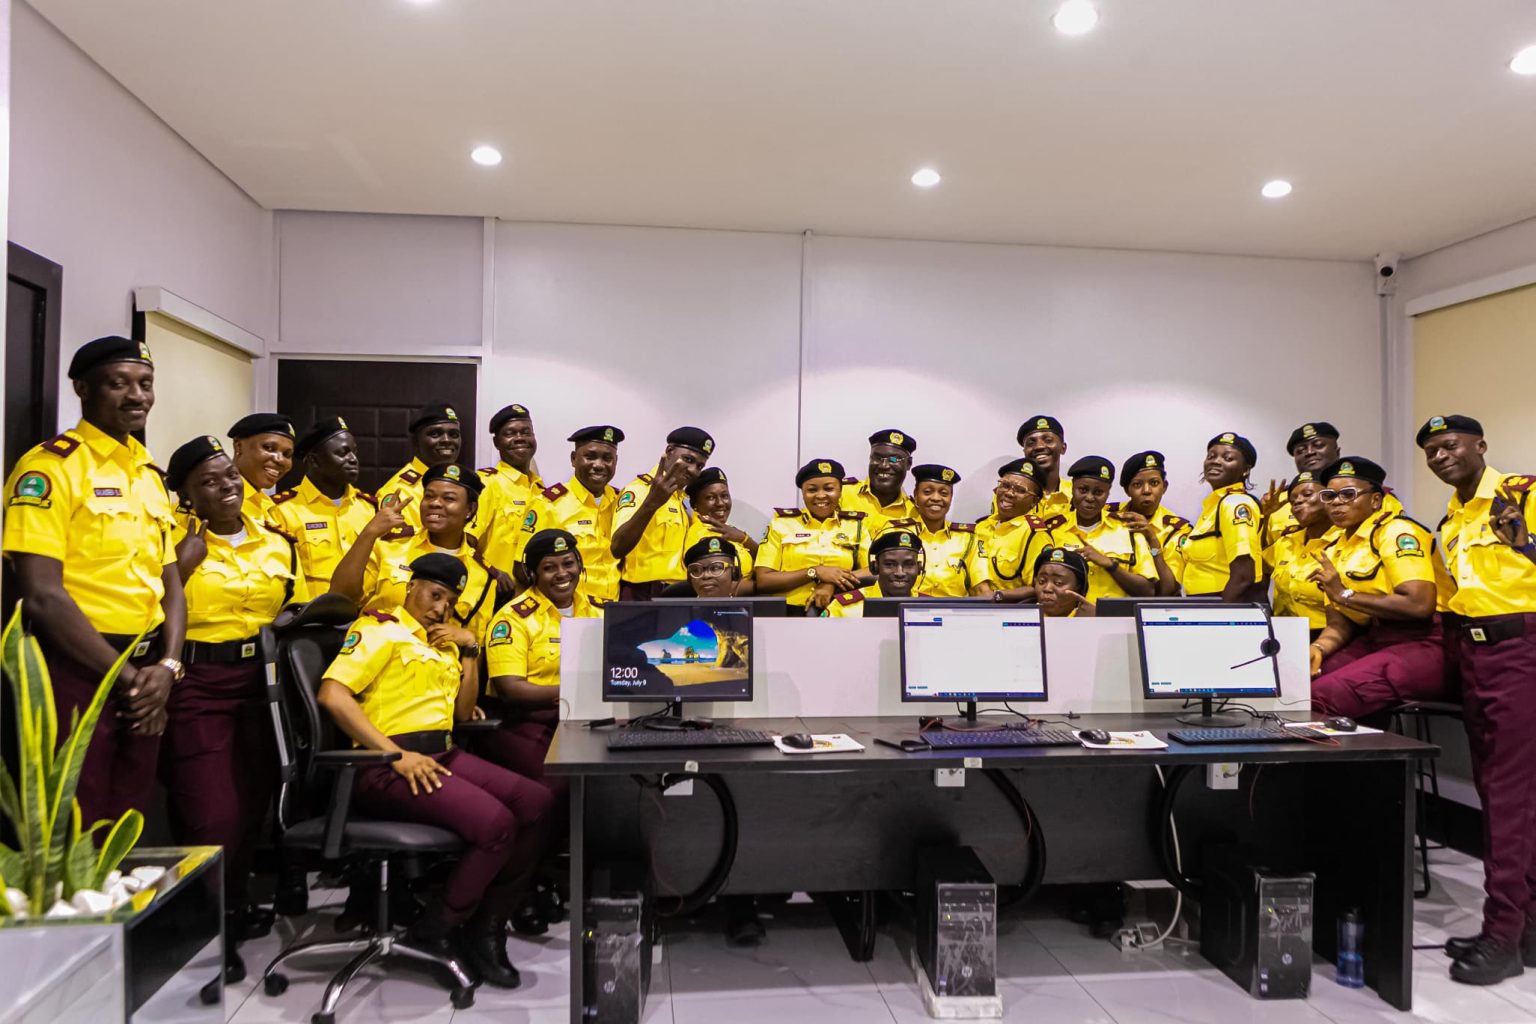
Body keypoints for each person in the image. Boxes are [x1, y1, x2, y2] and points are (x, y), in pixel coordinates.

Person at [318, 553, 552, 988]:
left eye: (449, 602)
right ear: (411, 587)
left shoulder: (442, 643)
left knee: (536, 802)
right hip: (383, 764)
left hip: (440, 753)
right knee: (497, 824)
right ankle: (437, 927)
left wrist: (469, 651)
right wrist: (395, 755)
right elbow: (332, 695)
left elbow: (462, 713)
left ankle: (488, 924)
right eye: (435, 595)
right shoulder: (380, 629)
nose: (441, 608)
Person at [2, 336, 185, 826]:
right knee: (72, 823)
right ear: (83, 388)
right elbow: (42, 594)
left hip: (146, 670)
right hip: (76, 667)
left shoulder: (148, 474)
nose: (137, 396)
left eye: (145, 383)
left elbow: (169, 581)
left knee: (126, 817)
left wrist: (167, 667)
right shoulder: (49, 468)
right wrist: (130, 681)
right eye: (118, 384)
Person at [162, 435, 307, 981]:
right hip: (197, 683)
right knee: (211, 812)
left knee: (250, 805)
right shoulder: (173, 542)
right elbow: (150, 606)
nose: (226, 487)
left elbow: (293, 607)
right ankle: (209, 923)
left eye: (228, 476)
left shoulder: (277, 543)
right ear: (186, 495)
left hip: (262, 686)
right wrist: (182, 565)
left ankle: (236, 904)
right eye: (208, 481)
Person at [1416, 415, 1536, 986]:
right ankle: (1527, 930)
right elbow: (1451, 601)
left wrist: (1526, 543)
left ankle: (1502, 936)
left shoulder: (1523, 495)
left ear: (1480, 445)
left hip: (1522, 650)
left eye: (1450, 445)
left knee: (1509, 799)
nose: (1440, 456)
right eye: (1431, 451)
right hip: (1476, 654)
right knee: (1504, 793)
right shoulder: (1451, 521)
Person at [1307, 457, 1453, 720]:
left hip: (1426, 641)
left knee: (1323, 696)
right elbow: (1340, 624)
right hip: (1376, 638)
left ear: (1375, 500)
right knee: (1297, 687)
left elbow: (1419, 605)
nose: (1337, 502)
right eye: (1330, 496)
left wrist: (1344, 594)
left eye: (1348, 494)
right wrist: (1318, 648)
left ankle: (1367, 749)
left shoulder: (1397, 532)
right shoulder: (1335, 549)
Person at [330, 463, 496, 646]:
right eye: (429, 496)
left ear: (470, 510)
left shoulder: (482, 576)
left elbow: (475, 644)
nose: (435, 503)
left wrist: (469, 642)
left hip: (434, 661)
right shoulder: (390, 547)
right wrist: (369, 534)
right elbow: (340, 598)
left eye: (448, 498)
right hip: (375, 653)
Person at [268, 417, 379, 593]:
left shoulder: (370, 508)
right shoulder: (282, 510)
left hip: (366, 609)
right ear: (314, 461)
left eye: (354, 452)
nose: (353, 459)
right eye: (342, 453)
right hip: (312, 609)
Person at [754, 459, 868, 614]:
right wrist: (814, 571)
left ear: (840, 491)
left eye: (829, 489)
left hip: (842, 612)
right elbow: (763, 581)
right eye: (812, 490)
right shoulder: (781, 524)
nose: (820, 495)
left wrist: (832, 582)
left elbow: (873, 571)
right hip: (788, 613)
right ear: (803, 493)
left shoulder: (856, 526)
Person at [611, 427, 714, 599]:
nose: (693, 470)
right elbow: (617, 547)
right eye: (688, 459)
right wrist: (652, 503)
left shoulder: (682, 500)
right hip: (643, 593)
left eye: (699, 466)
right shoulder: (639, 490)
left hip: (677, 593)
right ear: (669, 451)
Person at [524, 426, 624, 602]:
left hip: (614, 607)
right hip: (571, 609)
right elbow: (524, 567)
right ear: (573, 459)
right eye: (590, 457)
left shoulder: (621, 502)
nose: (599, 465)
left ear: (616, 461)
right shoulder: (548, 504)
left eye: (607, 458)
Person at [1174, 433, 1265, 602]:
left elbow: (1243, 575)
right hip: (1210, 604)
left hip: (1231, 604)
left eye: (1227, 458)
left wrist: (1222, 613)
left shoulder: (1235, 504)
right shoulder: (1214, 506)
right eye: (1211, 456)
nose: (1215, 461)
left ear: (1245, 470)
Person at [1057, 456, 1156, 601]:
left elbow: (1148, 591)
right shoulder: (1053, 530)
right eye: (1083, 490)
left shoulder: (1128, 530)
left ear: (1108, 493)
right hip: (1068, 614)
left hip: (1115, 614)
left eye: (1098, 492)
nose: (1089, 497)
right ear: (1072, 488)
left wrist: (1110, 565)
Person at [972, 459, 1062, 601]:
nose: (1009, 493)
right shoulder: (980, 527)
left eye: (1020, 490)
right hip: (968, 608)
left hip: (1009, 610)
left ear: (1034, 501)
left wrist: (997, 596)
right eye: (1005, 485)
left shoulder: (1034, 534)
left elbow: (1038, 586)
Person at [887, 464, 975, 598]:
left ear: (951, 498)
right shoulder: (894, 533)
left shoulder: (968, 539)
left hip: (953, 609)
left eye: (944, 493)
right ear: (916, 495)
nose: (936, 498)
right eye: (927, 492)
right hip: (909, 606)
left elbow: (980, 588)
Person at [1108, 451, 1189, 597]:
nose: (1146, 491)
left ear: (1164, 487)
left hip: (1156, 606)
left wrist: (1152, 540)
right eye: (1137, 484)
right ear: (1127, 490)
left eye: (1154, 483)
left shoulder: (1176, 529)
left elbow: (1168, 590)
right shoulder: (1108, 516)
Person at [475, 404, 543, 576]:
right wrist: (494, 573)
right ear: (496, 442)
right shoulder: (486, 484)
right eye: (510, 433)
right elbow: (465, 543)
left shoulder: (540, 489)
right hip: (495, 587)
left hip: (533, 590)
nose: (520, 438)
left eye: (526, 432)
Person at [1263, 472, 1332, 639]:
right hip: (1284, 634)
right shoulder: (1286, 542)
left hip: (1329, 635)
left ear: (1329, 497)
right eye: (1292, 500)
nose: (1298, 501)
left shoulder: (1345, 541)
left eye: (1307, 494)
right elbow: (1256, 563)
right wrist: (1265, 517)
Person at [380, 403, 463, 530]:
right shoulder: (400, 492)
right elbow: (398, 543)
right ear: (415, 441)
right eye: (435, 434)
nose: (447, 440)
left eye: (454, 434)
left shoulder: (462, 485)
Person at [1260, 422, 1341, 549]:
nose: (1310, 452)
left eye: (1318, 445)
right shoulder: (1278, 502)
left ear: (1337, 451)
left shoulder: (1357, 494)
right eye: (1300, 451)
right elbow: (1262, 552)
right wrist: (1264, 517)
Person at [683, 467, 758, 592]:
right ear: (694, 504)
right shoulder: (701, 534)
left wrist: (744, 538)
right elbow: (716, 588)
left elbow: (764, 561)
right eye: (710, 497)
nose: (720, 503)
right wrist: (761, 586)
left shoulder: (729, 530)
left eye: (724, 496)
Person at [826, 530, 926, 617]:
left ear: (919, 568)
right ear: (875, 567)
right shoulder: (845, 608)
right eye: (890, 564)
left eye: (908, 565)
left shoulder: (932, 607)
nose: (900, 573)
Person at [841, 429, 919, 536]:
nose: (884, 465)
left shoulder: (915, 513)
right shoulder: (842, 494)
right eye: (877, 458)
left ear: (909, 463)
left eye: (893, 459)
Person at [226, 412, 295, 523]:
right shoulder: (221, 501)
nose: (280, 459)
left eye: (287, 454)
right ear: (239, 446)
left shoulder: (267, 504)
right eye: (269, 448)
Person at [1017, 415, 1073, 517]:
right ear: (1024, 452)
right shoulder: (1010, 494)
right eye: (1031, 443)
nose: (1039, 446)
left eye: (1048, 440)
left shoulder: (1077, 495)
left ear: (1063, 448)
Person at [675, 536, 747, 598]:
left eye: (716, 568)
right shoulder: (677, 610)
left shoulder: (747, 609)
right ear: (690, 579)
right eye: (696, 570)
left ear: (734, 573)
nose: (706, 575)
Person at [1034, 547, 1096, 618]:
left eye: (1058, 583)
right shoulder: (1025, 619)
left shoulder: (1095, 620)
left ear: (1079, 588)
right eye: (1042, 581)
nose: (1047, 588)